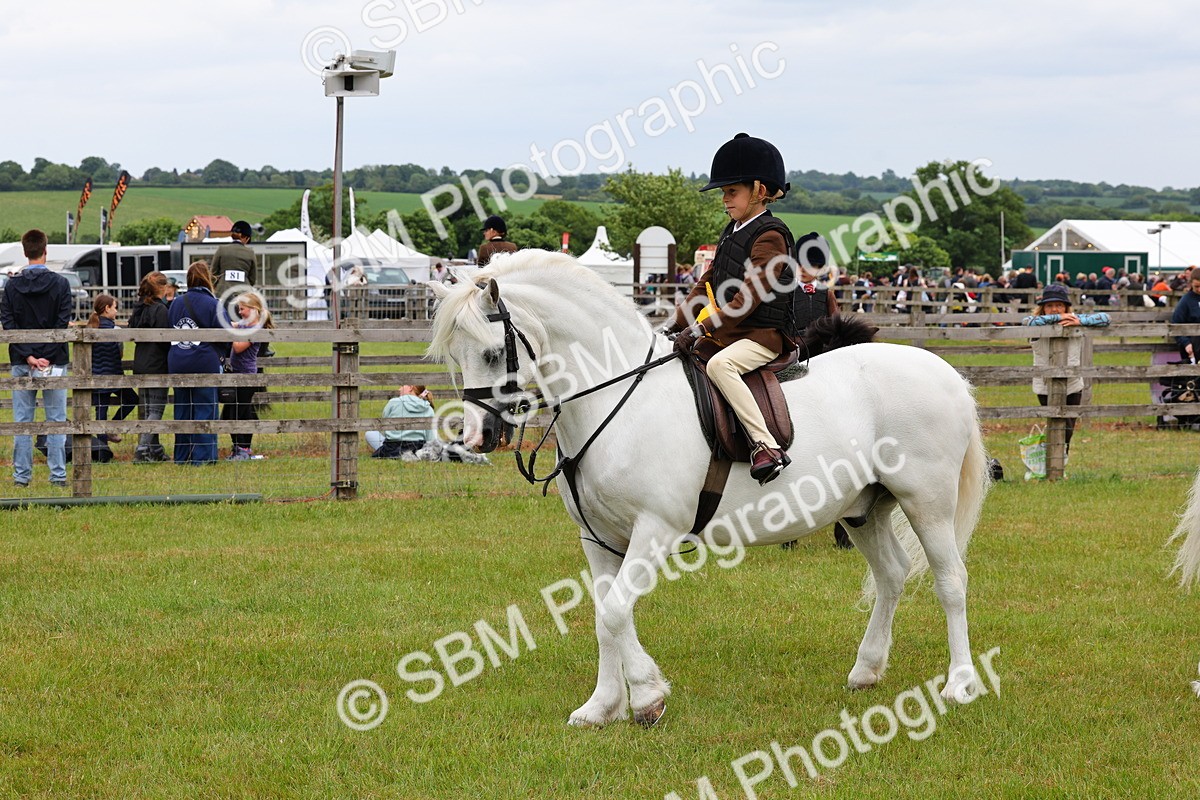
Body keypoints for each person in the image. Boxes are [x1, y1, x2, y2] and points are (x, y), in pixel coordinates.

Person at [666, 132, 795, 484]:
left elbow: (749, 297)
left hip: (761, 336)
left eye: (731, 192)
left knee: (721, 366)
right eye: (723, 193)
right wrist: (673, 323)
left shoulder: (771, 236)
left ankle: (765, 445)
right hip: (731, 332)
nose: (724, 200)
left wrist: (702, 329)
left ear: (759, 190)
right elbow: (706, 283)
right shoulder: (732, 230)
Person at [0, 229, 72, 488]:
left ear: (24, 251)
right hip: (54, 361)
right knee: (56, 420)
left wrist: (29, 355)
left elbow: (8, 323)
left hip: (21, 360)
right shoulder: (61, 284)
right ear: (45, 250)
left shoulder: (12, 285)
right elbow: (62, 322)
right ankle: (58, 476)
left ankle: (21, 477)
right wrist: (46, 357)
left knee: (23, 421)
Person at [1023, 284, 1109, 451]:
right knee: (1056, 423)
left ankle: (1060, 460)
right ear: (1043, 308)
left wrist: (1079, 320)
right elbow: (1026, 321)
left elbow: (1106, 318)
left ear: (1066, 306)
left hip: (1073, 383)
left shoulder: (1075, 322)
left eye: (1059, 305)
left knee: (1068, 426)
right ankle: (1052, 460)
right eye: (1049, 305)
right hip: (1044, 385)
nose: (1055, 309)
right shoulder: (1035, 325)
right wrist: (1060, 319)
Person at [168, 262, 228, 465]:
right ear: (207, 278)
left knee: (182, 411)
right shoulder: (213, 304)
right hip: (204, 361)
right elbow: (226, 334)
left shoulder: (176, 303)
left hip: (178, 361)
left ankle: (182, 456)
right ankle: (203, 458)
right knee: (205, 410)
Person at [220, 291, 273, 460]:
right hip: (238, 374)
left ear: (253, 308)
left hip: (247, 377)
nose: (240, 312)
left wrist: (232, 332)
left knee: (235, 413)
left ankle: (241, 449)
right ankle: (242, 448)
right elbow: (233, 324)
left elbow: (237, 347)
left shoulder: (255, 329)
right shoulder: (245, 324)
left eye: (243, 309)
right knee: (240, 412)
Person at [127, 271, 171, 462]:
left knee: (147, 407)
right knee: (156, 409)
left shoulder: (139, 308)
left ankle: (155, 449)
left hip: (141, 362)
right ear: (162, 288)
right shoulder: (161, 310)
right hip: (157, 363)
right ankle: (143, 448)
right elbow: (166, 339)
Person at [87, 294, 138, 446]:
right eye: (115, 307)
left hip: (97, 377)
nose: (116, 311)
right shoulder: (115, 330)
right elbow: (120, 353)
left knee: (100, 413)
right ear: (107, 308)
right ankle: (114, 425)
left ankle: (102, 449)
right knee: (132, 400)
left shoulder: (91, 328)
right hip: (115, 376)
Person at [366, 385, 435, 458]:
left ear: (411, 387)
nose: (399, 389)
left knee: (369, 433)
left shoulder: (393, 402)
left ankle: (398, 453)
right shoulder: (428, 409)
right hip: (417, 449)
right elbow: (430, 438)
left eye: (402, 386)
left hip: (392, 448)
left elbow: (383, 427)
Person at [210, 220, 256, 301]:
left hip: (222, 293)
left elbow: (213, 274)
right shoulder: (250, 253)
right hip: (244, 294)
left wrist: (216, 287)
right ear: (246, 237)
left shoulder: (221, 250)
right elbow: (252, 278)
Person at [1171, 272, 1200, 362]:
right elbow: (1176, 324)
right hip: (1193, 346)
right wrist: (1186, 343)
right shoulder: (1185, 301)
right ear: (1191, 283)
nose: (1199, 289)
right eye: (1197, 286)